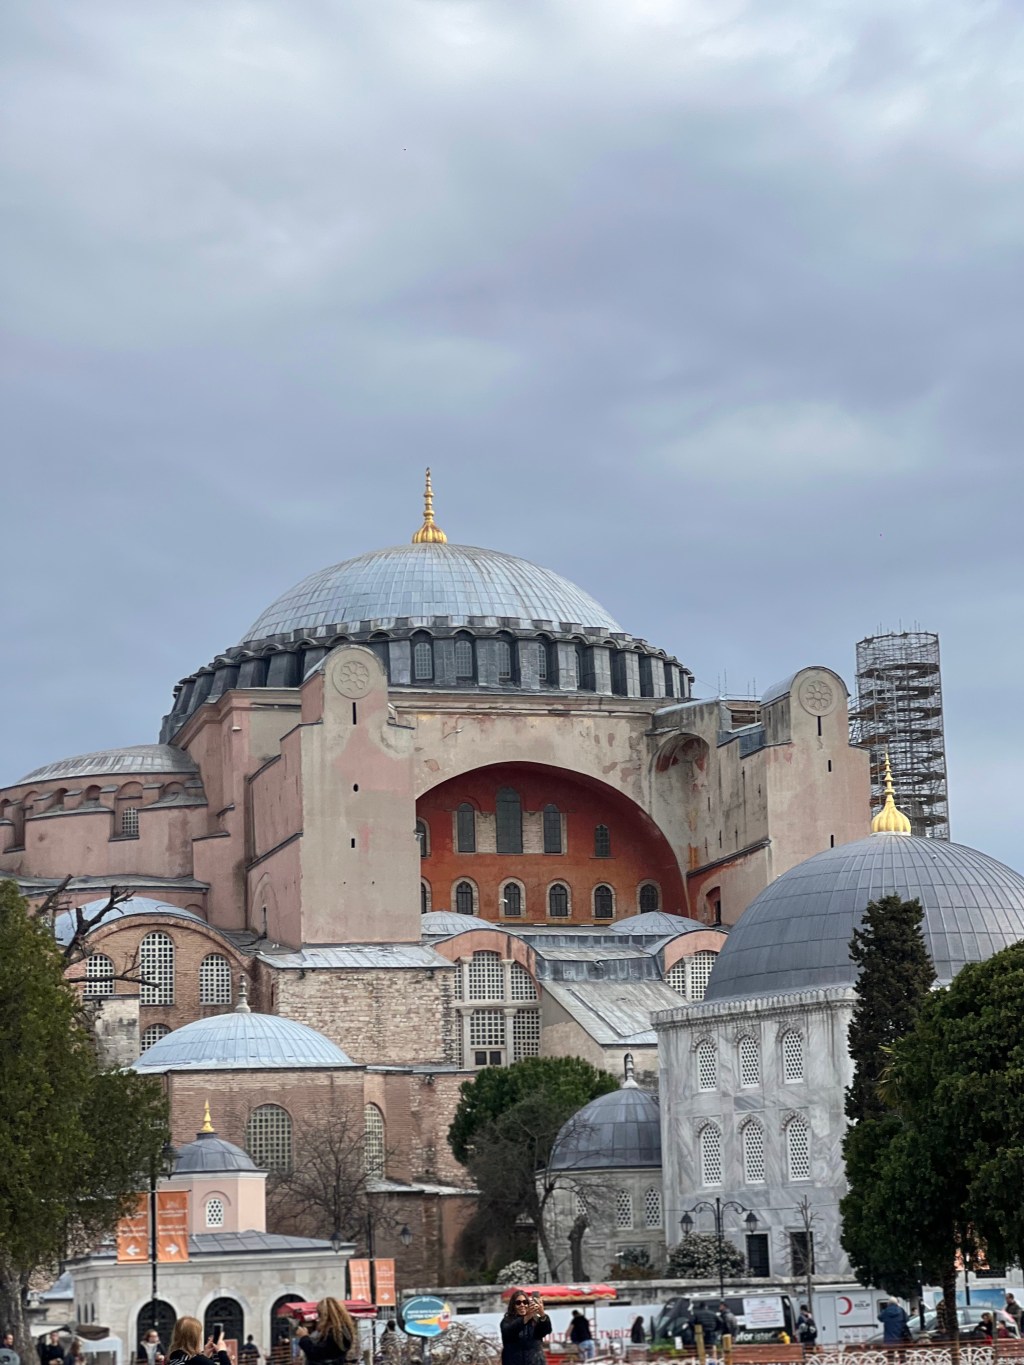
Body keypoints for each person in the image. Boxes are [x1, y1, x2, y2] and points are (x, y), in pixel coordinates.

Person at [294, 1299, 357, 1365]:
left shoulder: (335, 1333)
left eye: (319, 1315)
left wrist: (304, 1337)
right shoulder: (343, 1330)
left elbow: (316, 1353)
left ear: (325, 1315)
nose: (318, 1319)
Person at [500, 1291, 552, 1365]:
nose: (522, 1305)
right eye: (518, 1303)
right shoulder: (507, 1321)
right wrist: (526, 1318)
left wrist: (542, 1314)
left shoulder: (535, 1320)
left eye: (525, 1302)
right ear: (513, 1305)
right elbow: (509, 1331)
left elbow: (546, 1330)